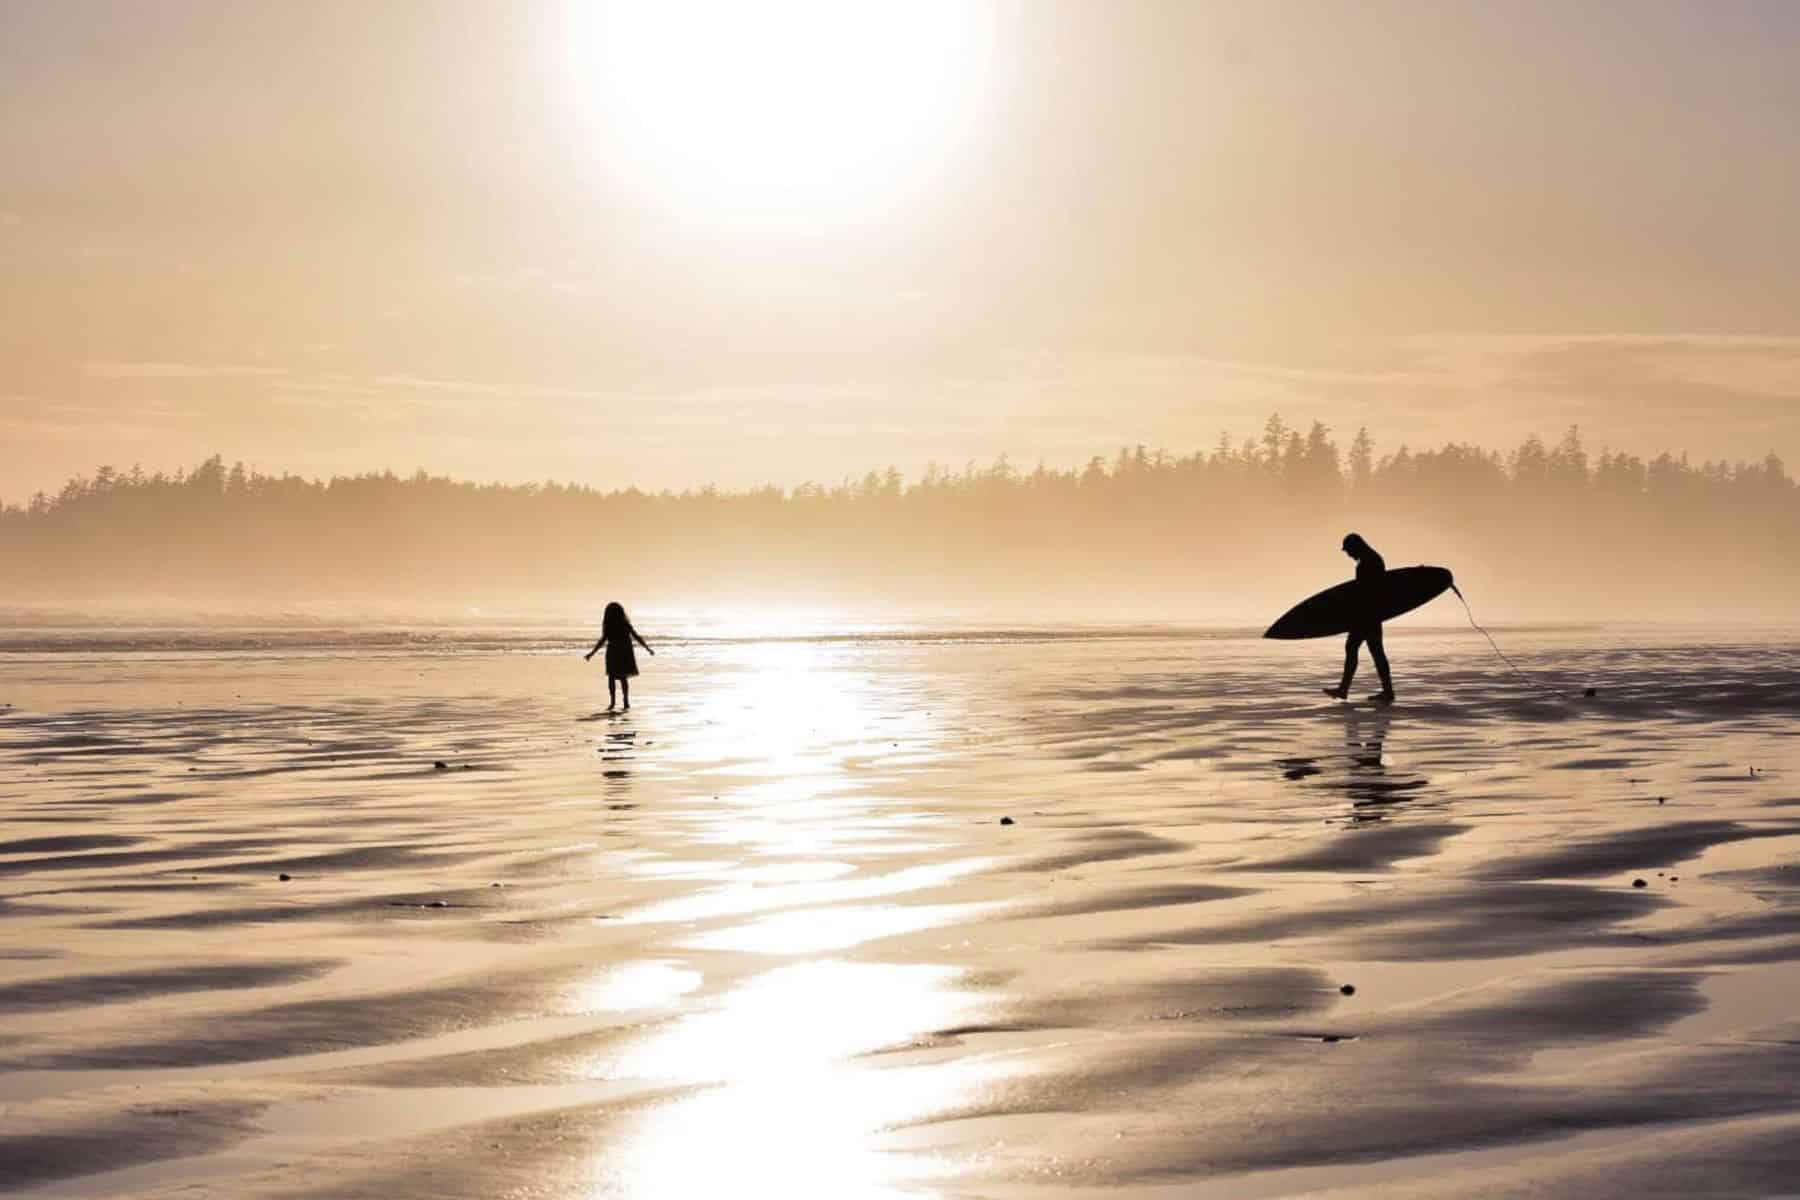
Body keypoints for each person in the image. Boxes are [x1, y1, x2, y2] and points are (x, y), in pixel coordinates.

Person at [1323, 533, 1395, 704]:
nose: (1348, 554)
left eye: (1348, 550)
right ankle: (1386, 691)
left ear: (1356, 547)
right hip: (1372, 614)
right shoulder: (1373, 559)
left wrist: (1353, 616)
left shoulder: (1368, 562)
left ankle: (1345, 689)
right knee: (1375, 651)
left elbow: (1365, 592)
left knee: (1356, 647)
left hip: (1366, 614)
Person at [584, 602, 655, 710]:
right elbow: (603, 640)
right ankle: (619, 701)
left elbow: (635, 636)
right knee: (618, 677)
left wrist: (647, 648)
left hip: (618, 651)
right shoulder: (617, 624)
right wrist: (592, 653)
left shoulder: (618, 624)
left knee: (617, 677)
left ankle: (620, 701)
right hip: (619, 651)